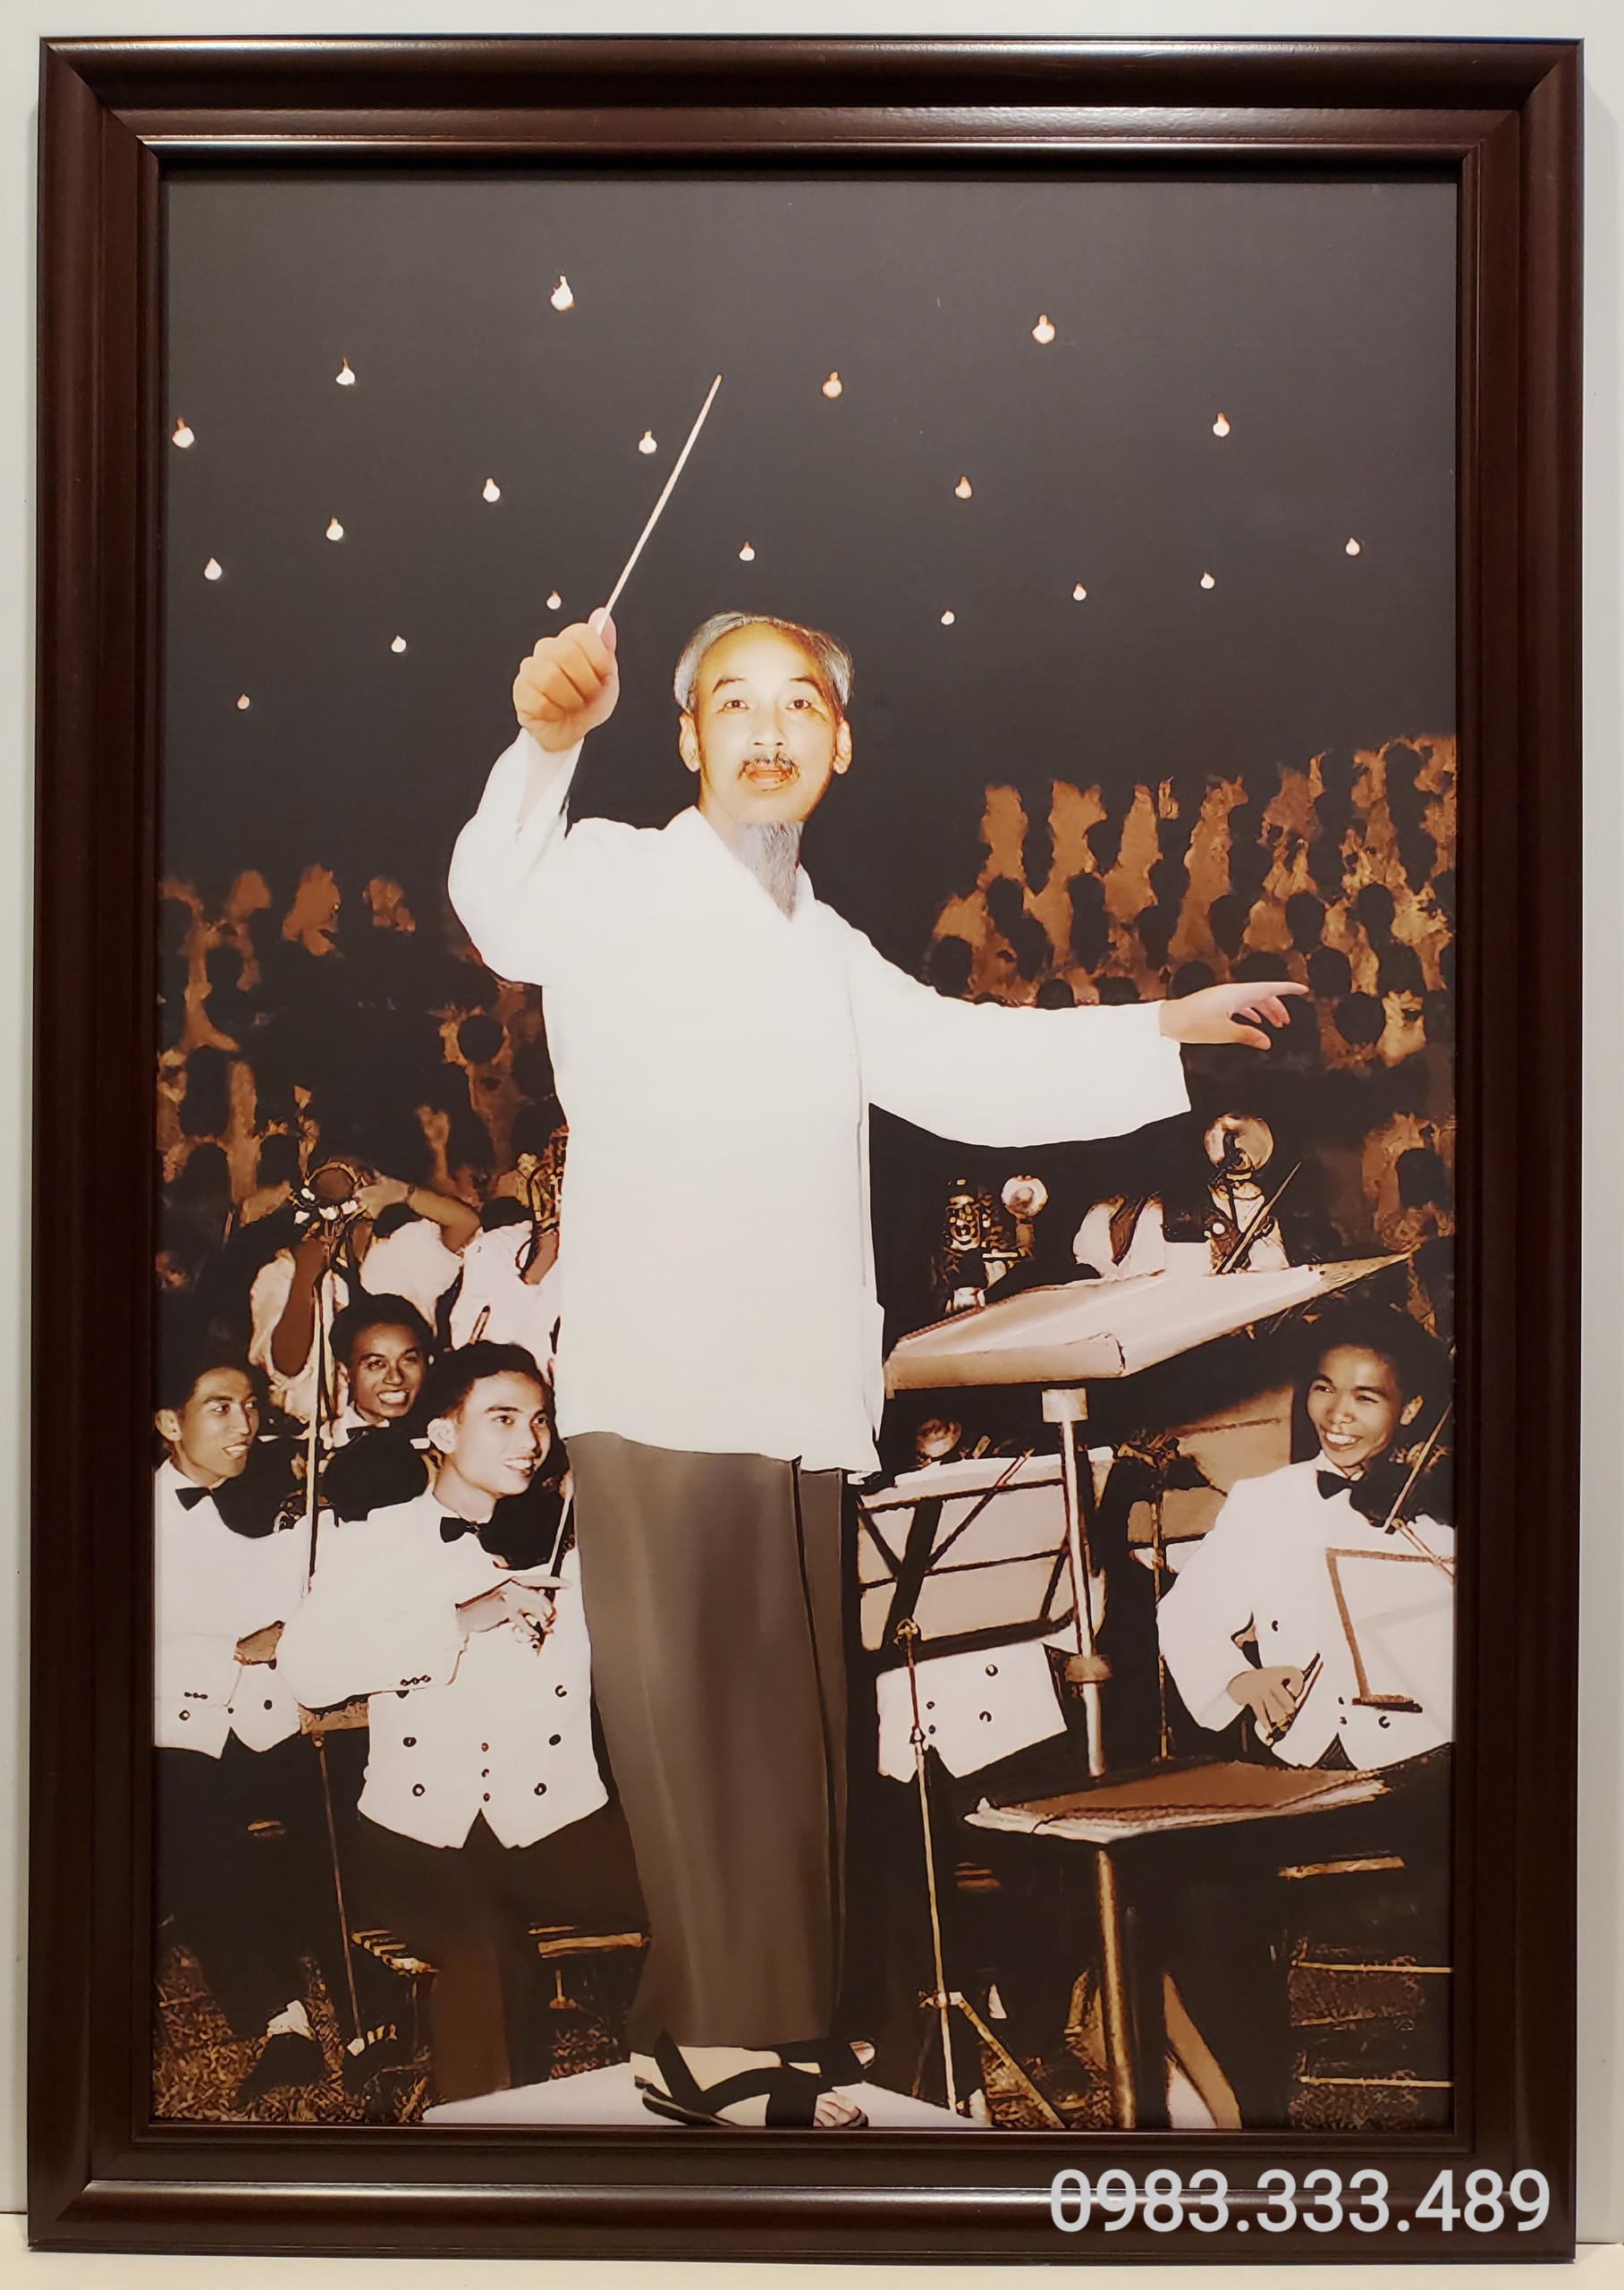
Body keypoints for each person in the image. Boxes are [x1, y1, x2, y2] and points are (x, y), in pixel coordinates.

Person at [447, 603, 1303, 2128]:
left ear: (840, 744)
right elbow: (501, 907)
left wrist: (1159, 1029)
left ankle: (767, 2028)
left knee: (797, 1731)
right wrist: (544, 741)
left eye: (800, 704)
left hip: (795, 1389)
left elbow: (967, 1062)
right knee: (692, 1711)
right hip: (664, 1374)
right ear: (687, 735)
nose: (768, 727)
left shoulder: (824, 944)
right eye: (734, 702)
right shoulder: (619, 874)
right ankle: (707, 2038)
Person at [275, 1344, 640, 2105]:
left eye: (539, 1420)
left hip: (557, 1820)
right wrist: (460, 1620)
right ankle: (482, 2144)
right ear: (442, 1433)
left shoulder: (573, 1538)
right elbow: (306, 1673)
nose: (530, 1440)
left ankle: (702, 2084)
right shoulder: (376, 1541)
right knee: (484, 1954)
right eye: (502, 1418)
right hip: (421, 1835)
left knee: (710, 1891)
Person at [1148, 1304, 1453, 2124]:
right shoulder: (1265, 1501)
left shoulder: (1448, 1503)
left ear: (1412, 1411)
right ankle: (1253, 2103)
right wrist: (1240, 1679)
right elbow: (1186, 1614)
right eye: (1324, 1388)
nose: (1337, 1414)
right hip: (1307, 1766)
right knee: (1201, 1892)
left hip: (1427, 1764)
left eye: (1367, 1397)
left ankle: (1459, 2080)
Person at [153, 1344, 328, 2105]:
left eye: (252, 1405)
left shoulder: (279, 1499)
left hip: (275, 1716)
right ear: (170, 1423)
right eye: (220, 1408)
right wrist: (232, 1647)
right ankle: (283, 2021)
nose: (245, 1424)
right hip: (179, 1722)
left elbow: (321, 1597)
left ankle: (370, 2017)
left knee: (340, 1815)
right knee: (194, 1829)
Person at [326, 1294, 435, 1445]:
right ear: (346, 1372)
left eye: (408, 1360)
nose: (396, 1378)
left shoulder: (449, 1439)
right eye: (376, 1364)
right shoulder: (321, 1444)